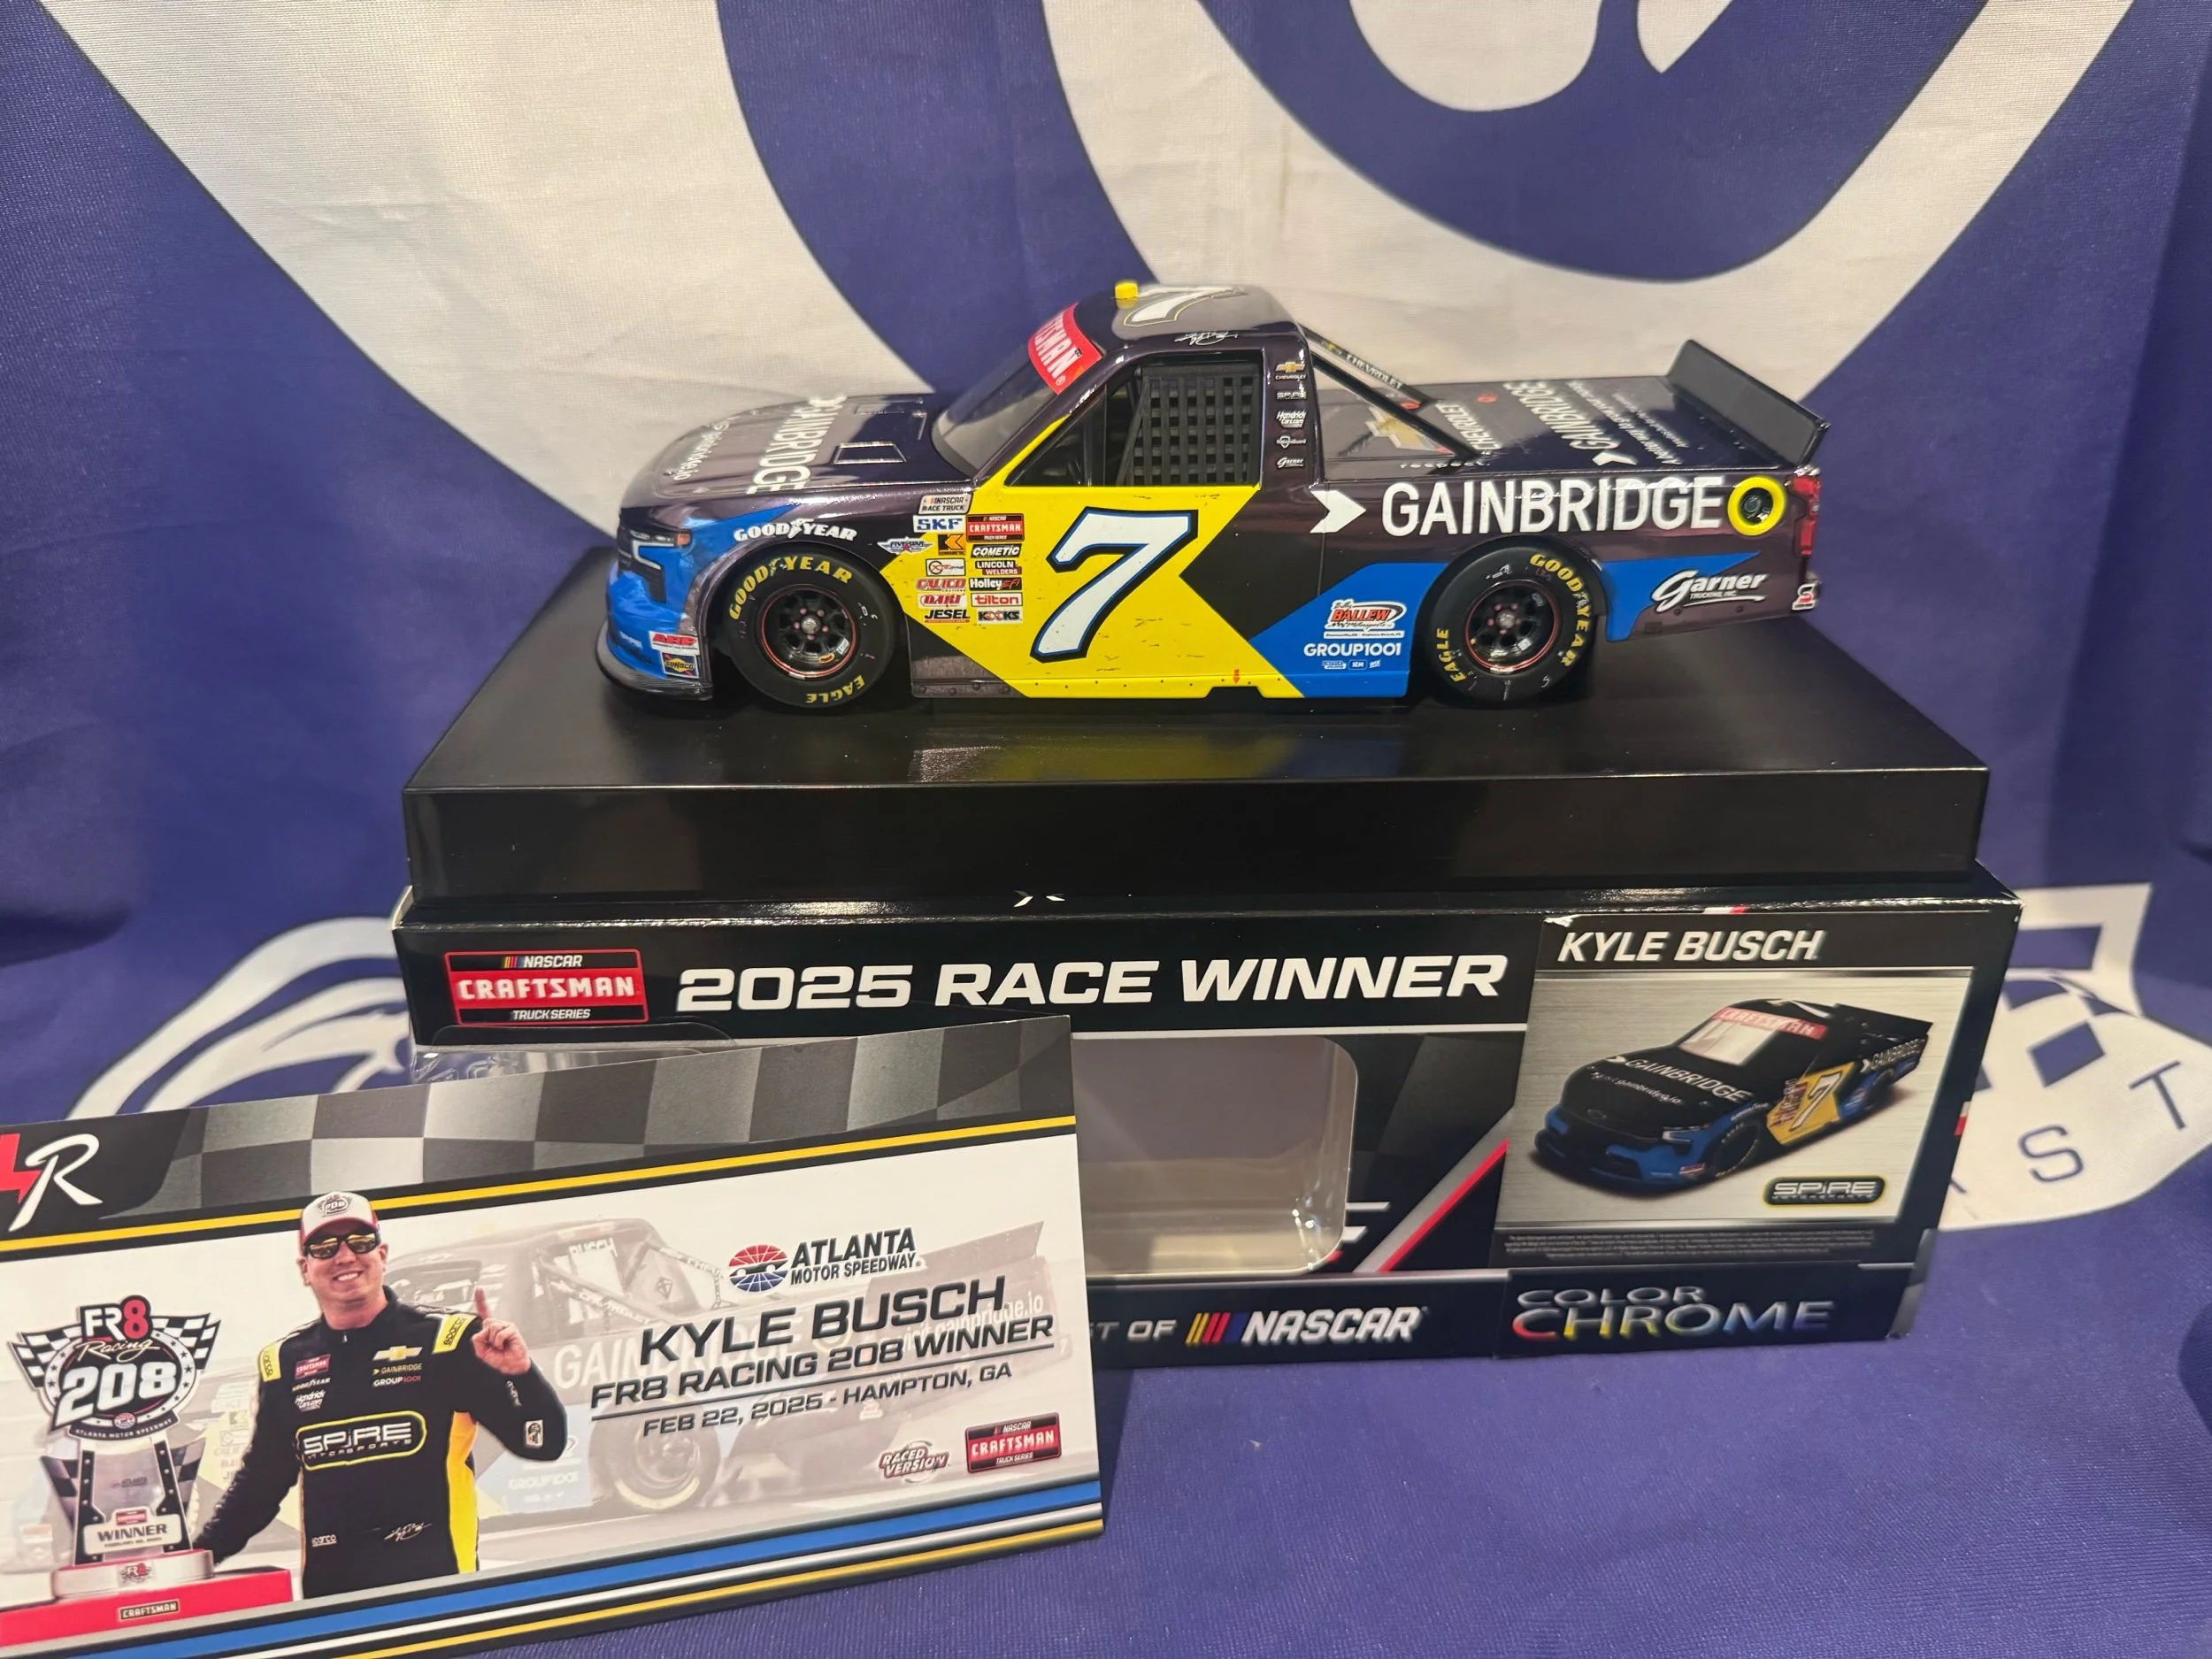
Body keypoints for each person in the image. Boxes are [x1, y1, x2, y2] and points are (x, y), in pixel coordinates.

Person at [193, 1192, 567, 1597]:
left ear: (382, 1254)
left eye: (360, 1241)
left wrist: (522, 1376)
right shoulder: (284, 1361)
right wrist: (196, 1558)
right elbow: (260, 1485)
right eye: (324, 1247)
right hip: (332, 1598)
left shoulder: (448, 1340)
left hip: (439, 1590)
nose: (345, 1256)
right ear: (305, 1268)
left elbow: (542, 1444)